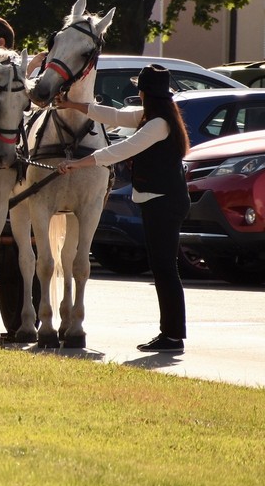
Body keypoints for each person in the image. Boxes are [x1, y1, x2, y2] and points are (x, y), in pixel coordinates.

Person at [53, 64, 190, 352]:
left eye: (139, 89)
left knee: (165, 269)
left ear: (144, 93)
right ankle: (172, 333)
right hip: (159, 199)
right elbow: (114, 116)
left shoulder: (158, 124)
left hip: (164, 201)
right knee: (162, 268)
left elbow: (120, 150)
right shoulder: (154, 115)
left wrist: (77, 164)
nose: (137, 93)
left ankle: (173, 336)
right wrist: (73, 105)